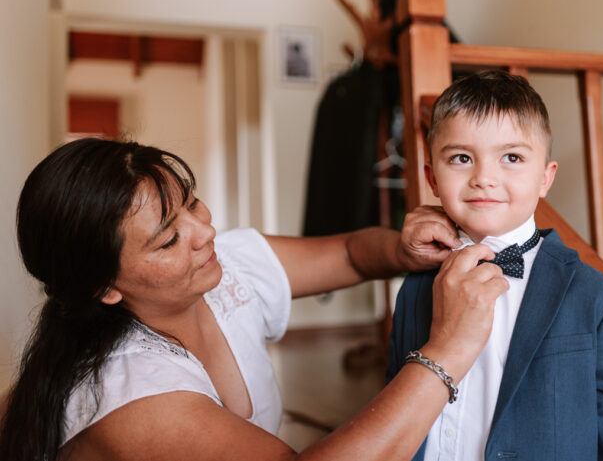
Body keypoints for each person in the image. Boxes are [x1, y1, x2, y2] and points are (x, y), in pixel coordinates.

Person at [0, 138, 511, 461]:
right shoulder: (134, 396)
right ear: (104, 288)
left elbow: (353, 256)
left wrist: (401, 248)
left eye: (193, 203)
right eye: (168, 239)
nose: (205, 231)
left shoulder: (223, 268)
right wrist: (449, 350)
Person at [387, 70, 603, 460]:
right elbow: (396, 403)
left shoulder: (599, 299)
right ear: (432, 177)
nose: (484, 178)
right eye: (462, 158)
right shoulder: (415, 288)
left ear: (545, 179)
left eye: (511, 157)